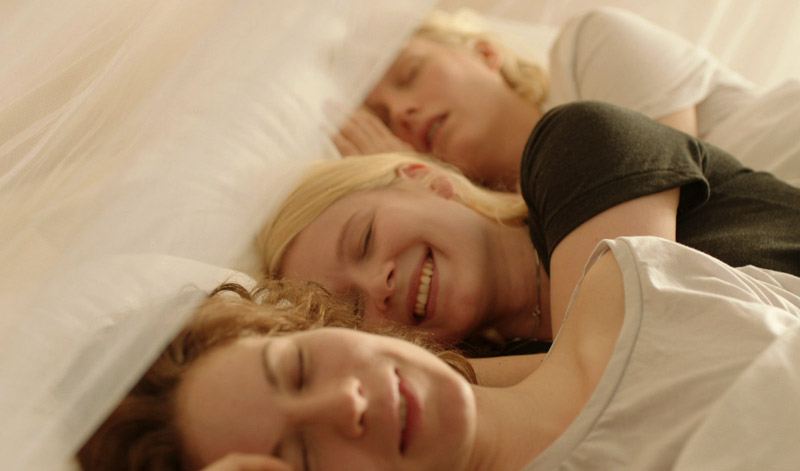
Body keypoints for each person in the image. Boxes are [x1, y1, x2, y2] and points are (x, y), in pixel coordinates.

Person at [78, 236, 800, 470]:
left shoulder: (628, 286)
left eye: (298, 368)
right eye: (301, 457)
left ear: (311, 324)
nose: (345, 404)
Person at [260, 101, 800, 351]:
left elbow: (634, 356)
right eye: (354, 312)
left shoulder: (576, 147)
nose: (376, 283)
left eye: (365, 239)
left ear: (427, 181)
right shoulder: (488, 393)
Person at [335, 7, 800, 189]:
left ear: (485, 52)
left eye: (410, 74)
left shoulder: (589, 48)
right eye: (382, 120)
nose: (401, 111)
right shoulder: (499, 249)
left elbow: (671, 232)